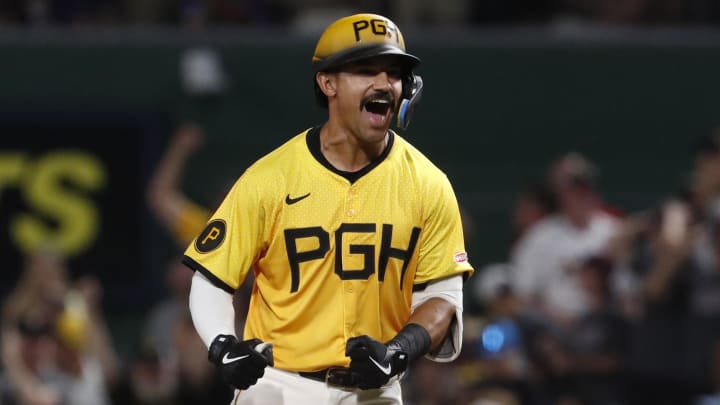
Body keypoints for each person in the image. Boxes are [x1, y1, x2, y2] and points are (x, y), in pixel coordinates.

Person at [182, 13, 474, 404]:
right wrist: (223, 344)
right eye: (366, 70)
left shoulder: (428, 184)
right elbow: (212, 278)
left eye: (393, 72)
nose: (384, 83)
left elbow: (443, 297)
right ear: (328, 82)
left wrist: (397, 352)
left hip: (376, 390)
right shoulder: (271, 177)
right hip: (280, 385)